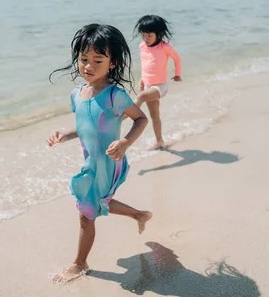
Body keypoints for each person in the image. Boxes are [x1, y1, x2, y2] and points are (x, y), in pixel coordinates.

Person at [48, 23, 153, 283]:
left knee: (86, 214)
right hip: (90, 163)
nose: (88, 66)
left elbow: (141, 119)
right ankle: (140, 215)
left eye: (97, 60)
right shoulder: (77, 95)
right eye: (84, 59)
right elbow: (86, 128)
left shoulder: (114, 96)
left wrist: (125, 142)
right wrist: (65, 135)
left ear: (113, 63)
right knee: (98, 204)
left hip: (108, 162)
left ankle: (79, 263)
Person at [132, 15, 182, 150]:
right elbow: (146, 63)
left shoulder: (164, 47)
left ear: (159, 34)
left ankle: (126, 114)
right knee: (155, 116)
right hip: (148, 85)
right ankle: (159, 141)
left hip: (160, 86)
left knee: (140, 97)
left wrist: (177, 75)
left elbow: (177, 58)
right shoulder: (142, 46)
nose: (146, 39)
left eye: (149, 35)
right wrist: (143, 79)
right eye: (143, 35)